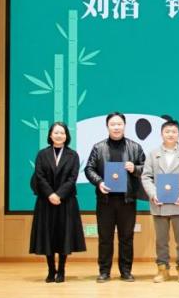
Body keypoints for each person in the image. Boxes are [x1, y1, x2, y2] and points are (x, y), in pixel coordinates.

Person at [84, 111, 147, 282]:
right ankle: (104, 271)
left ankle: (126, 271)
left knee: (126, 238)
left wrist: (135, 168)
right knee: (105, 238)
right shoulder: (98, 147)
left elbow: (146, 168)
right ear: (107, 126)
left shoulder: (135, 147)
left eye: (119, 124)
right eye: (113, 124)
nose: (116, 127)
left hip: (127, 200)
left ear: (124, 126)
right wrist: (99, 182)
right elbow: (89, 169)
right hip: (105, 200)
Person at [28, 121, 86, 283]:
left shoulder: (73, 155)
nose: (59, 135)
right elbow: (39, 176)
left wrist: (59, 195)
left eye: (62, 133)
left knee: (63, 236)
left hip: (66, 201)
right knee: (47, 236)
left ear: (66, 136)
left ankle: (61, 270)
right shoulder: (42, 154)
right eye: (56, 132)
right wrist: (50, 194)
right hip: (45, 201)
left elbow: (72, 178)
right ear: (50, 135)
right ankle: (50, 270)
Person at [142, 119, 179, 283]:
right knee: (161, 241)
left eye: (174, 132)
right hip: (159, 204)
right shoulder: (153, 154)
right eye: (167, 131)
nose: (170, 134)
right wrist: (153, 194)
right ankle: (163, 269)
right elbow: (146, 177)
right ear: (162, 134)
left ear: (178, 134)